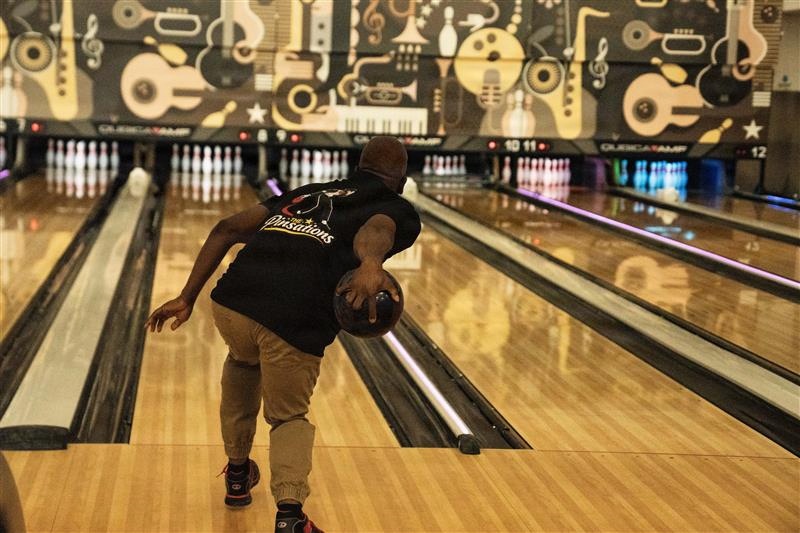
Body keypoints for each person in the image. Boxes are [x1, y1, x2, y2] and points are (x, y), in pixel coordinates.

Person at [146, 136, 421, 533]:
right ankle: (290, 517)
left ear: (357, 166)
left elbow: (226, 228)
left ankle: (238, 475)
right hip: (294, 314)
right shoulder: (396, 207)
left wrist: (186, 297)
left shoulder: (309, 191)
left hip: (232, 301)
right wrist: (371, 262)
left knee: (242, 362)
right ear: (402, 178)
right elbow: (377, 227)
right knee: (288, 416)